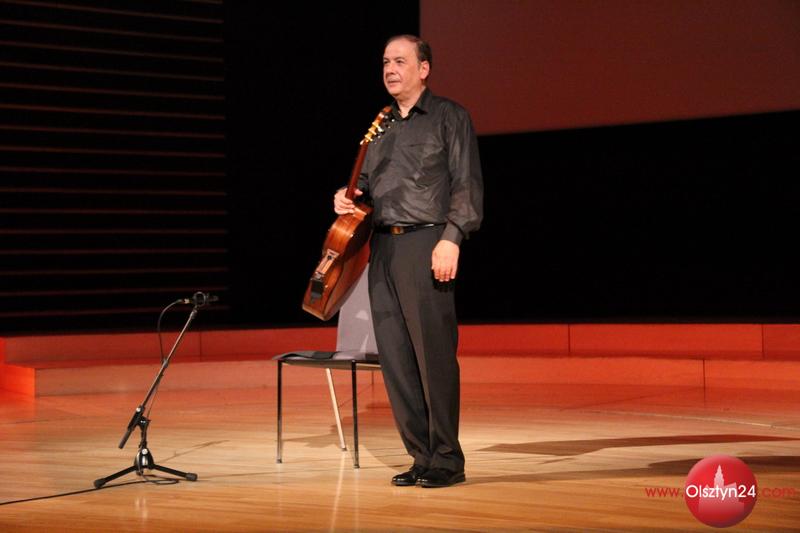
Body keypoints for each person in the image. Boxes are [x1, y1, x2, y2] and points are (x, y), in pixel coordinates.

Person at [333, 34, 483, 488]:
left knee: (433, 356)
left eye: (400, 61)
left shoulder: (449, 117)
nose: (390, 69)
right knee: (396, 359)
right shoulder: (380, 126)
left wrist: (452, 238)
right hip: (383, 248)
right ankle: (421, 456)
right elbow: (367, 190)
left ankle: (447, 460)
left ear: (424, 69)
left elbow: (467, 185)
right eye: (385, 62)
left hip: (427, 243)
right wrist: (346, 198)